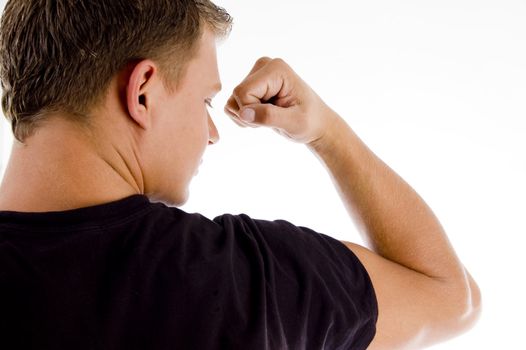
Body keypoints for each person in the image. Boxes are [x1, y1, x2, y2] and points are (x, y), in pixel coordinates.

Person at [0, 0, 481, 349]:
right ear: (143, 91)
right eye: (205, 100)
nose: (212, 132)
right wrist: (326, 132)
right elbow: (450, 297)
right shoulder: (246, 280)